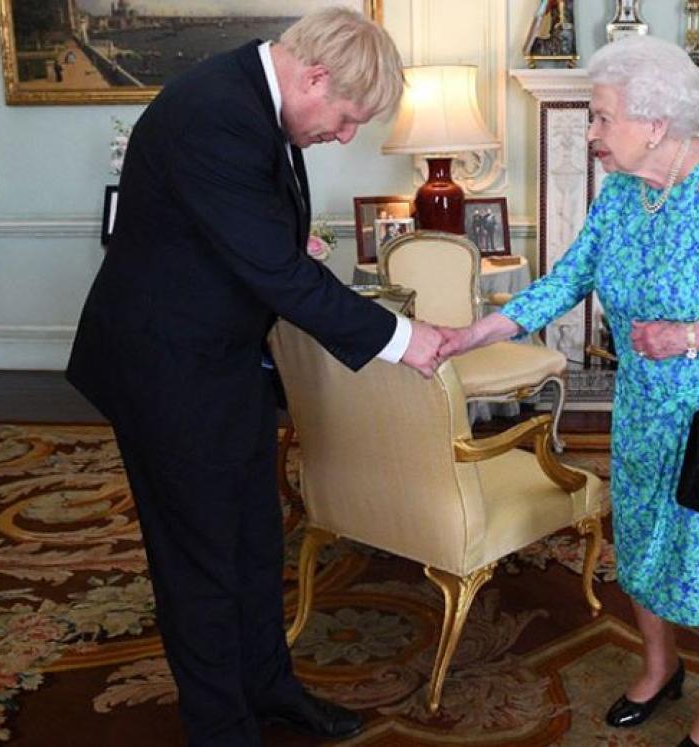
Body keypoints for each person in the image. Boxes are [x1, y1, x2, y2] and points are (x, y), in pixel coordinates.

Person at [66, 9, 449, 746]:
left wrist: (278, 234)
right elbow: (276, 272)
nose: (343, 136)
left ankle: (269, 688)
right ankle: (221, 727)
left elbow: (251, 235)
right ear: (313, 77)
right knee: (200, 561)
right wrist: (404, 338)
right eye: (345, 118)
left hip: (224, 356)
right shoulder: (214, 113)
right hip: (164, 368)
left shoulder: (254, 95)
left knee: (253, 539)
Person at [439, 35, 699, 747]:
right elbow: (567, 278)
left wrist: (691, 335)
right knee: (643, 537)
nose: (591, 133)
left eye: (601, 117)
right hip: (644, 406)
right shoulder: (622, 191)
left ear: (655, 122)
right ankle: (658, 665)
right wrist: (474, 331)